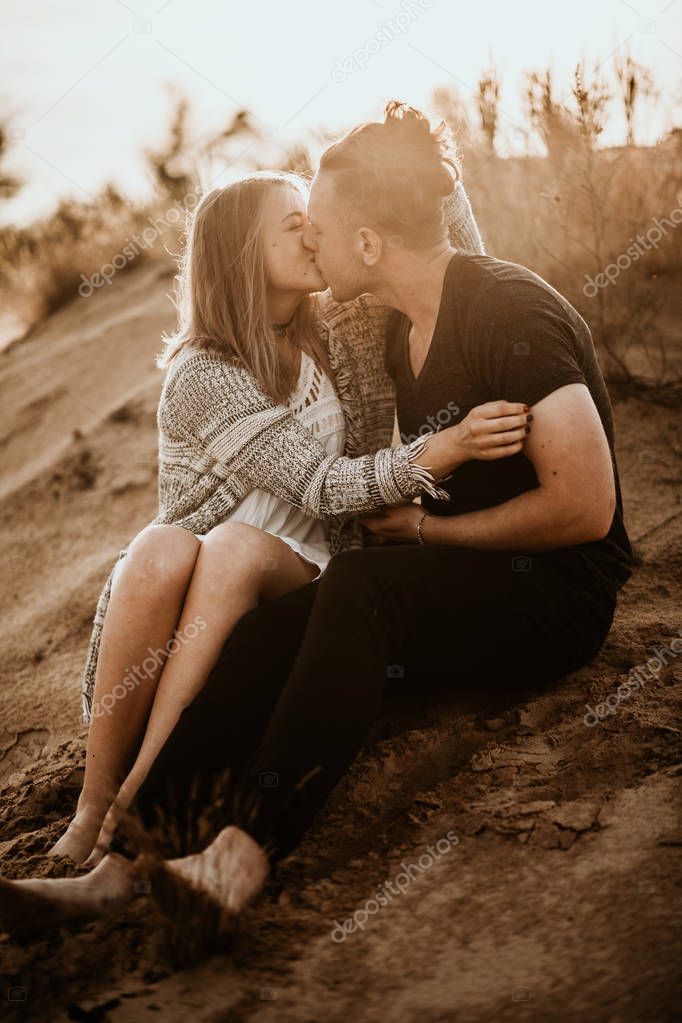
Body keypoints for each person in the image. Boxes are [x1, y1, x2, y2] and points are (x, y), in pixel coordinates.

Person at [0, 100, 631, 936]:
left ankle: (241, 856)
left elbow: (587, 512)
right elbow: (425, 234)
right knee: (273, 634)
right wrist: (400, 146)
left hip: (556, 600)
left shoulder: (510, 310)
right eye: (296, 232)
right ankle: (123, 860)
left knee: (365, 586)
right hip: (447, 576)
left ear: (366, 245)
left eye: (320, 229)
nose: (313, 246)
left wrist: (428, 531)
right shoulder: (394, 322)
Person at [46, 169, 522, 868]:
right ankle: (95, 807)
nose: (315, 232)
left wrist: (433, 166)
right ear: (241, 254)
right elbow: (318, 483)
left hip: (307, 573)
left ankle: (141, 794)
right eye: (292, 223)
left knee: (235, 547)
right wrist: (435, 453)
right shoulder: (201, 374)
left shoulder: (341, 325)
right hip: (189, 594)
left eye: (313, 219)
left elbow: (450, 264)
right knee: (156, 547)